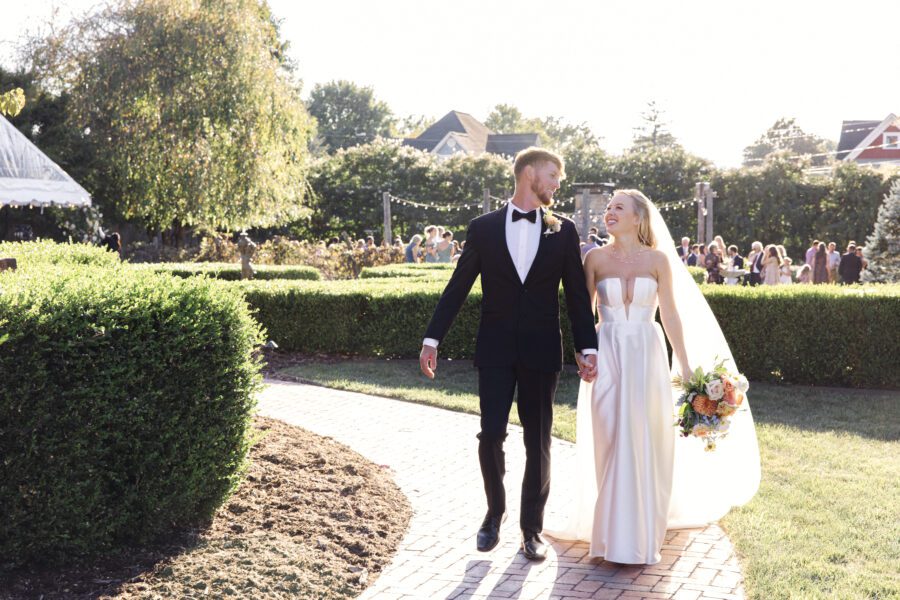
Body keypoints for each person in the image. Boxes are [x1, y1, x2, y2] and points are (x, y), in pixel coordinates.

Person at [547, 189, 760, 565]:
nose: (609, 212)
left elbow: (671, 315)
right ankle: (611, 532)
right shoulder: (593, 258)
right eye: (609, 207)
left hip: (646, 353)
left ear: (638, 218)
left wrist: (686, 363)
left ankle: (635, 538)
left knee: (643, 438)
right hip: (608, 352)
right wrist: (584, 352)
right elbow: (583, 313)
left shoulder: (659, 259)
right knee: (610, 436)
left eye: (618, 208)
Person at [419, 147, 598, 561]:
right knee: (491, 436)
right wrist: (432, 340)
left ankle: (531, 529)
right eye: (553, 174)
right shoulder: (482, 228)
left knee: (539, 442)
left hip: (541, 350)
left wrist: (587, 347)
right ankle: (493, 513)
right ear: (528, 172)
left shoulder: (564, 231)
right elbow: (457, 287)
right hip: (495, 348)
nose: (557, 183)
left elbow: (575, 296)